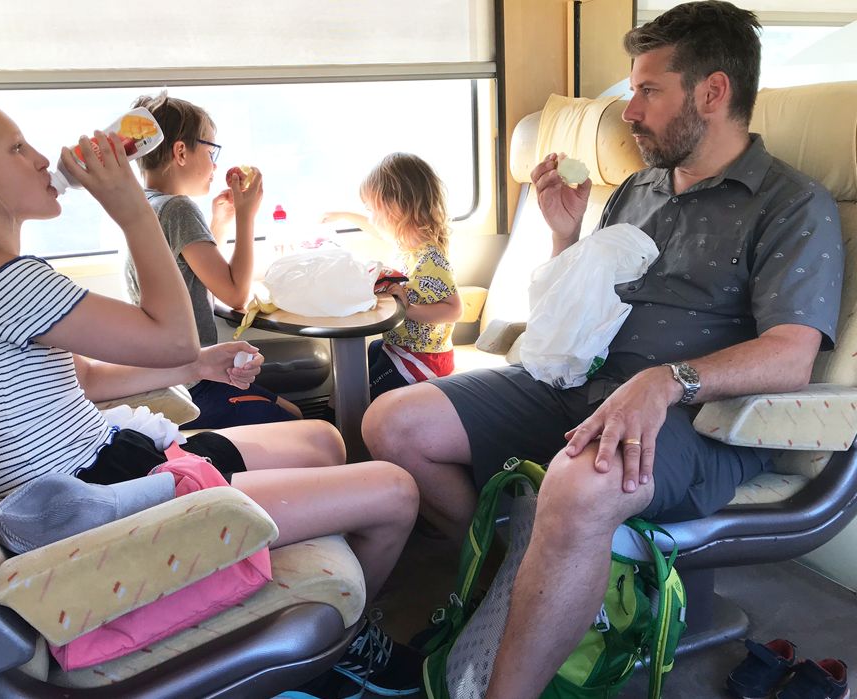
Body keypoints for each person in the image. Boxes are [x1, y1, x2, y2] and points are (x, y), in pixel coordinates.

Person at [361, 2, 844, 697]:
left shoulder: (792, 205)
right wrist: (564, 240)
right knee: (393, 423)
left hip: (701, 421)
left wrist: (665, 381)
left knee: (579, 485)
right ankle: (527, 573)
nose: (631, 112)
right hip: (590, 380)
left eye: (648, 90)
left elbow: (790, 355)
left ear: (712, 92)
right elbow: (583, 316)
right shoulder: (638, 190)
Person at [0, 86, 421, 696]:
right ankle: (345, 649)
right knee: (397, 491)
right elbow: (168, 337)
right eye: (15, 148)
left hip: (108, 461)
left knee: (323, 438)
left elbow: (81, 379)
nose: (40, 157)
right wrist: (134, 208)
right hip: (104, 506)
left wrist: (196, 368)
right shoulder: (6, 281)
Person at [123, 91, 302, 429]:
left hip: (169, 376)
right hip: (196, 381)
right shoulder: (178, 208)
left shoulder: (142, 206)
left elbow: (188, 273)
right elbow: (233, 292)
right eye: (210, 151)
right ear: (181, 152)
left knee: (290, 409)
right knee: (296, 419)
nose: (215, 165)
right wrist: (248, 216)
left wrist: (219, 223)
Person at [323, 152, 463, 400]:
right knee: (365, 358)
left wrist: (408, 309)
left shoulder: (430, 259)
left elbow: (454, 310)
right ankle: (338, 418)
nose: (372, 218)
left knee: (361, 393)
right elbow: (373, 227)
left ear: (396, 208)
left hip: (425, 356)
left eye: (373, 209)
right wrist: (343, 215)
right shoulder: (405, 244)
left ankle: (352, 430)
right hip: (400, 346)